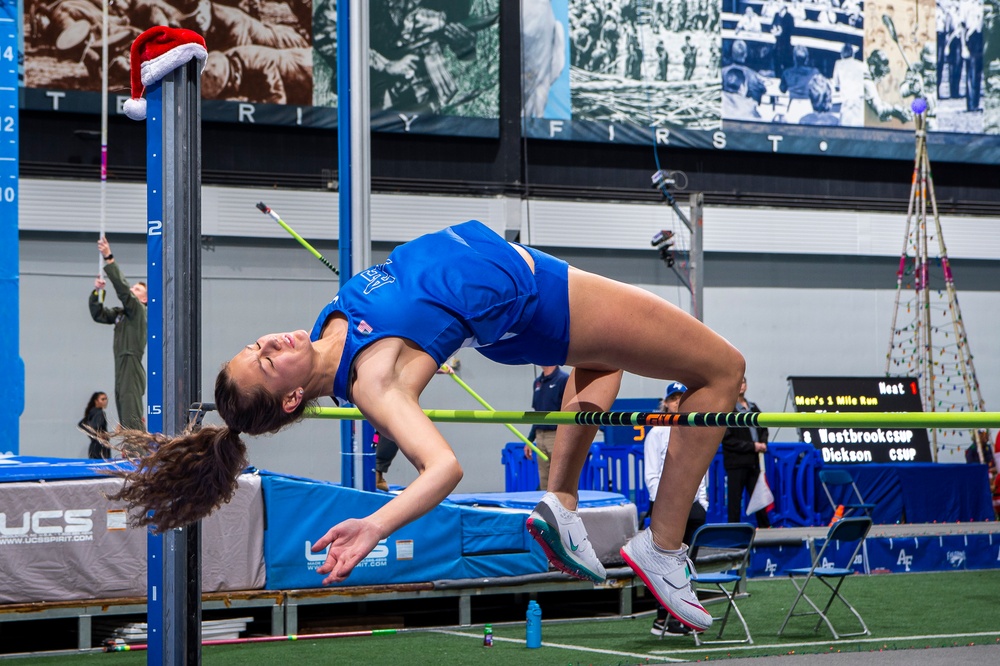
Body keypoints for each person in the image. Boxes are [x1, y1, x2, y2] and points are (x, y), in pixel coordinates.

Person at [107, 220, 745, 633]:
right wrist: (375, 525)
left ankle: (561, 501)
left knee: (603, 364)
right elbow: (442, 467)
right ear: (294, 397)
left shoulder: (333, 328)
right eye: (267, 362)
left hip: (516, 288)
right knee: (723, 371)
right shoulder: (373, 384)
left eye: (257, 345)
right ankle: (663, 551)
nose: (270, 342)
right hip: (536, 295)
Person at [643, 381, 708, 637]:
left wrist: (702, 502)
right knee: (664, 564)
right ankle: (663, 619)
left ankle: (685, 614)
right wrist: (664, 505)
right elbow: (651, 475)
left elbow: (702, 472)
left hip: (692, 506)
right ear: (666, 402)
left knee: (687, 564)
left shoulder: (695, 430)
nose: (678, 402)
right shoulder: (657, 433)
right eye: (674, 398)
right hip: (666, 507)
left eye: (683, 396)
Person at [89, 237, 148, 431]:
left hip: (131, 365)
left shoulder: (139, 311)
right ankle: (133, 452)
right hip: (122, 365)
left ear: (145, 298)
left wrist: (109, 258)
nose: (132, 290)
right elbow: (99, 315)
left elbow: (124, 292)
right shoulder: (123, 314)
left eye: (137, 289)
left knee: (131, 417)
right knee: (125, 415)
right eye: (133, 287)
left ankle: (138, 455)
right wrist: (97, 293)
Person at [721, 376, 770, 527]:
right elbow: (728, 440)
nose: (741, 385)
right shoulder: (727, 409)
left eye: (743, 382)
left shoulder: (753, 407)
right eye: (738, 383)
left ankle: (766, 528)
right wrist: (753, 446)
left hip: (753, 462)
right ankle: (733, 530)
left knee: (760, 499)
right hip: (736, 463)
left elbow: (764, 428)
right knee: (734, 501)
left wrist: (762, 443)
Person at [524, 365, 570, 490]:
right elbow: (537, 413)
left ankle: (562, 505)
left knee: (560, 475)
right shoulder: (538, 382)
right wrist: (530, 440)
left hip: (556, 434)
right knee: (544, 476)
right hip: (540, 435)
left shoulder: (563, 380)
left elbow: (568, 410)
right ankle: (546, 505)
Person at [80, 391, 110, 459]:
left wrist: (92, 434)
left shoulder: (91, 412)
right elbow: (95, 426)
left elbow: (82, 424)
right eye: (102, 399)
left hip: (94, 446)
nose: (105, 401)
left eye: (106, 399)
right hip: (101, 447)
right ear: (96, 401)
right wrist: (98, 434)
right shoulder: (100, 413)